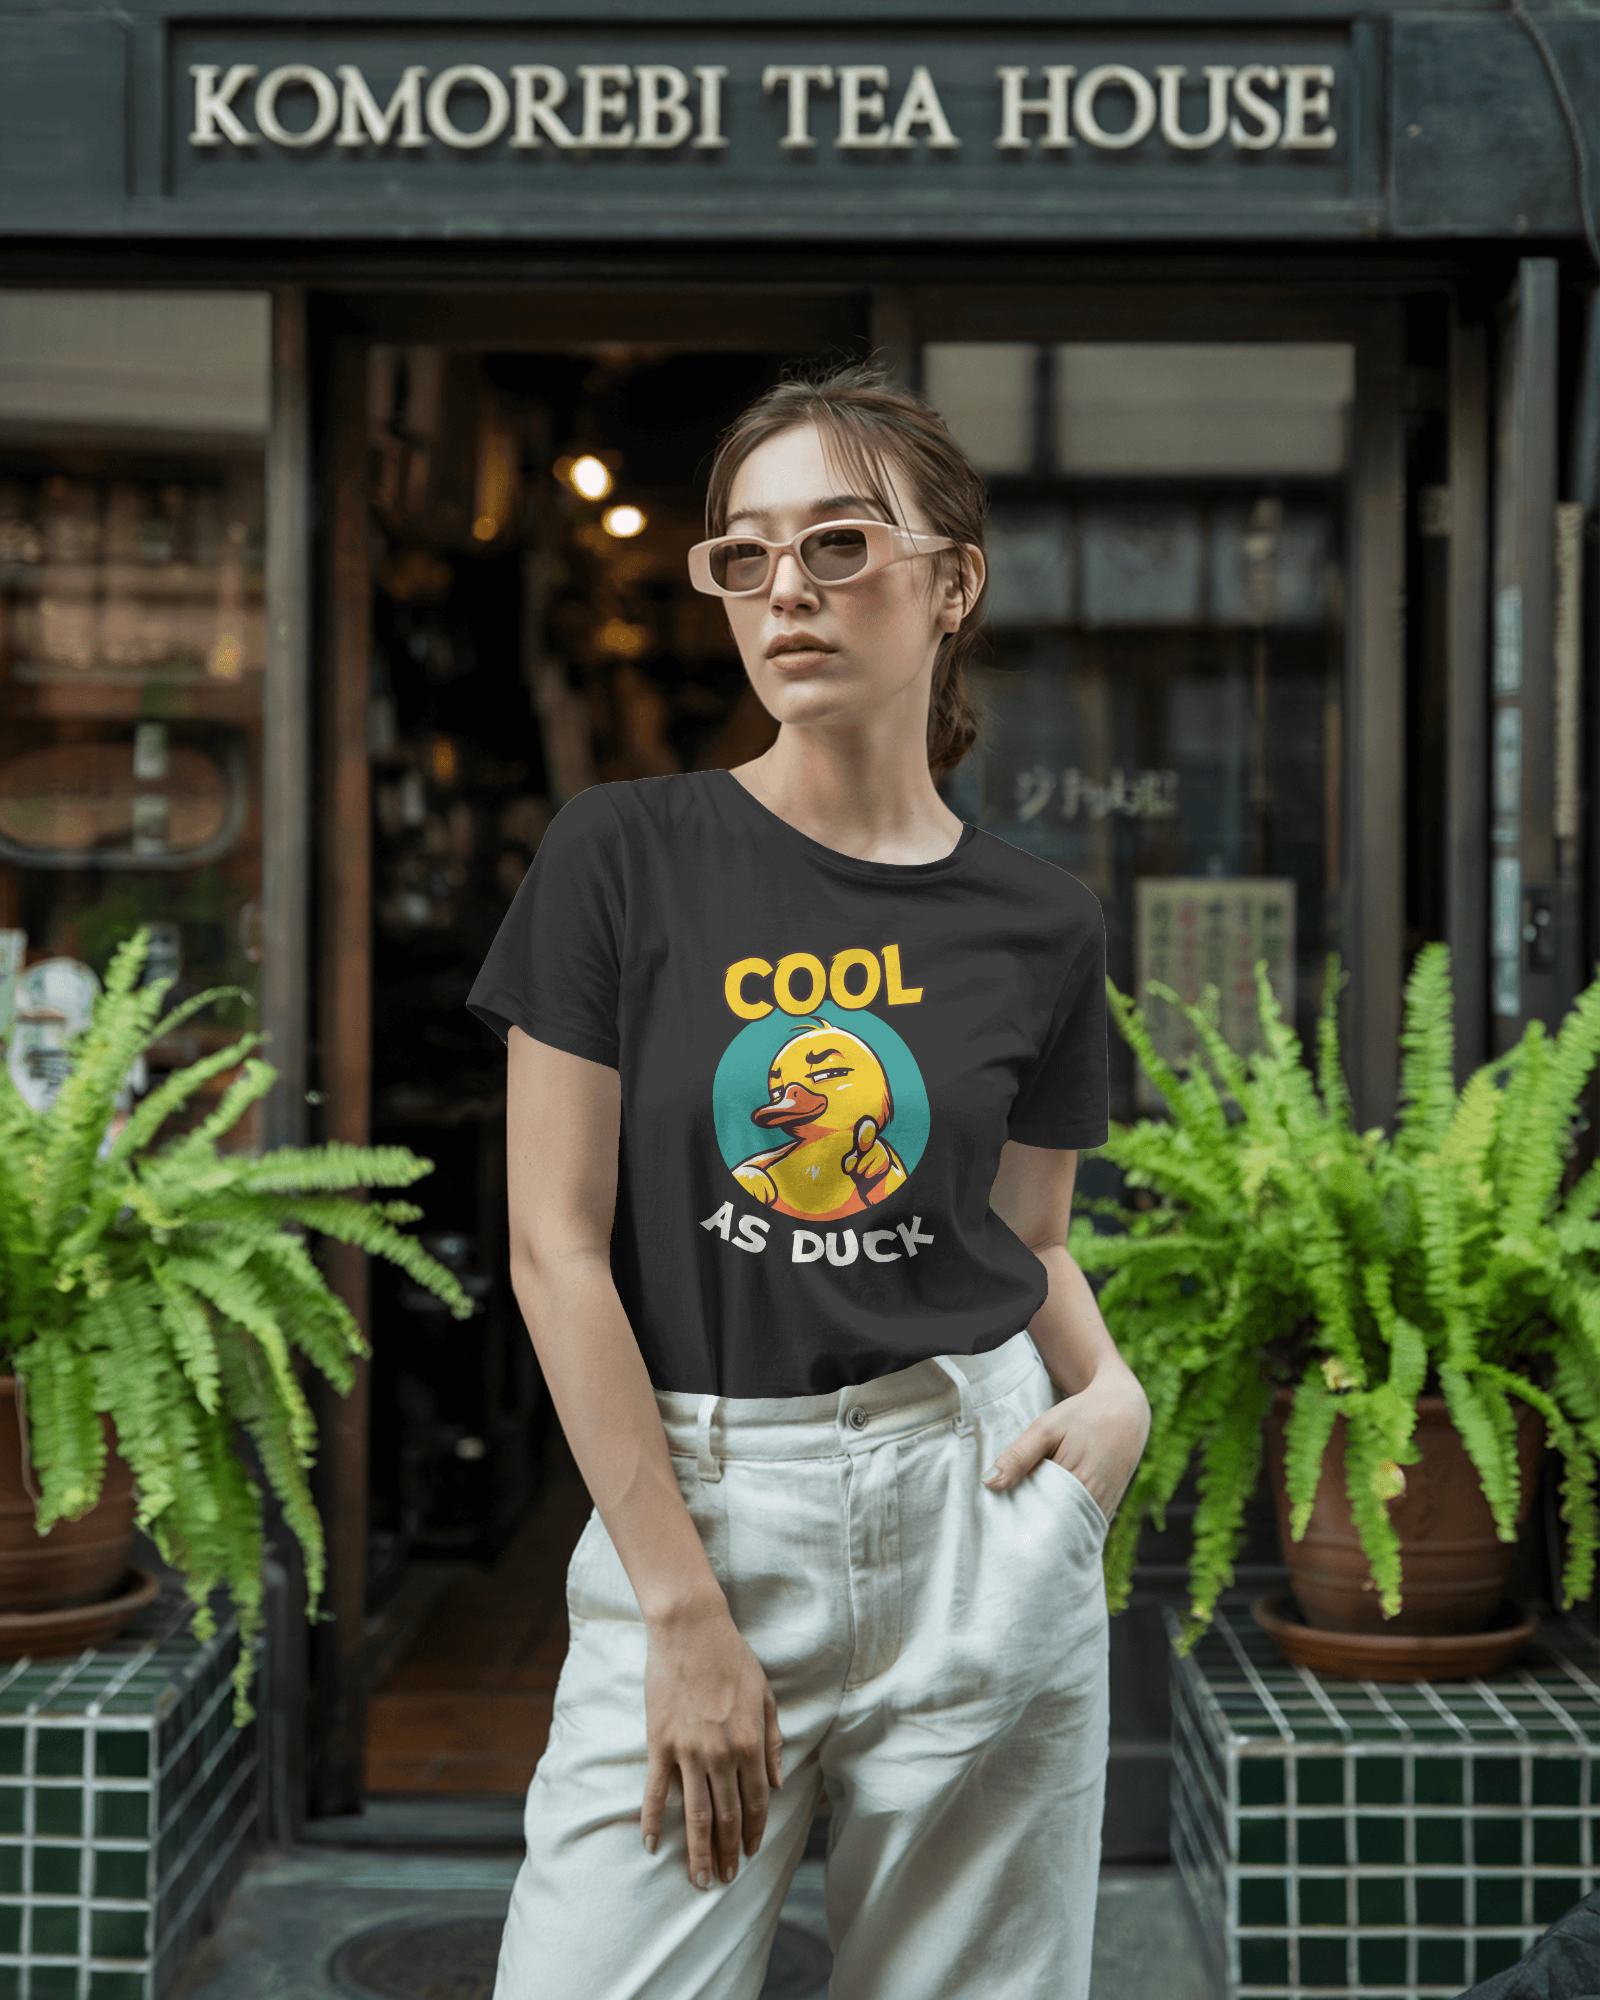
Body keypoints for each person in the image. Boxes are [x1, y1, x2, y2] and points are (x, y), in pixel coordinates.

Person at [467, 359, 1152, 2000]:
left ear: (951, 584)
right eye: (745, 553)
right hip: (705, 1511)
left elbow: (1025, 1239)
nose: (787, 588)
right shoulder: (622, 854)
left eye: (840, 544)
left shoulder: (1041, 922)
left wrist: (1112, 1393)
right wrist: (684, 1613)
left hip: (979, 1508)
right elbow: (557, 1251)